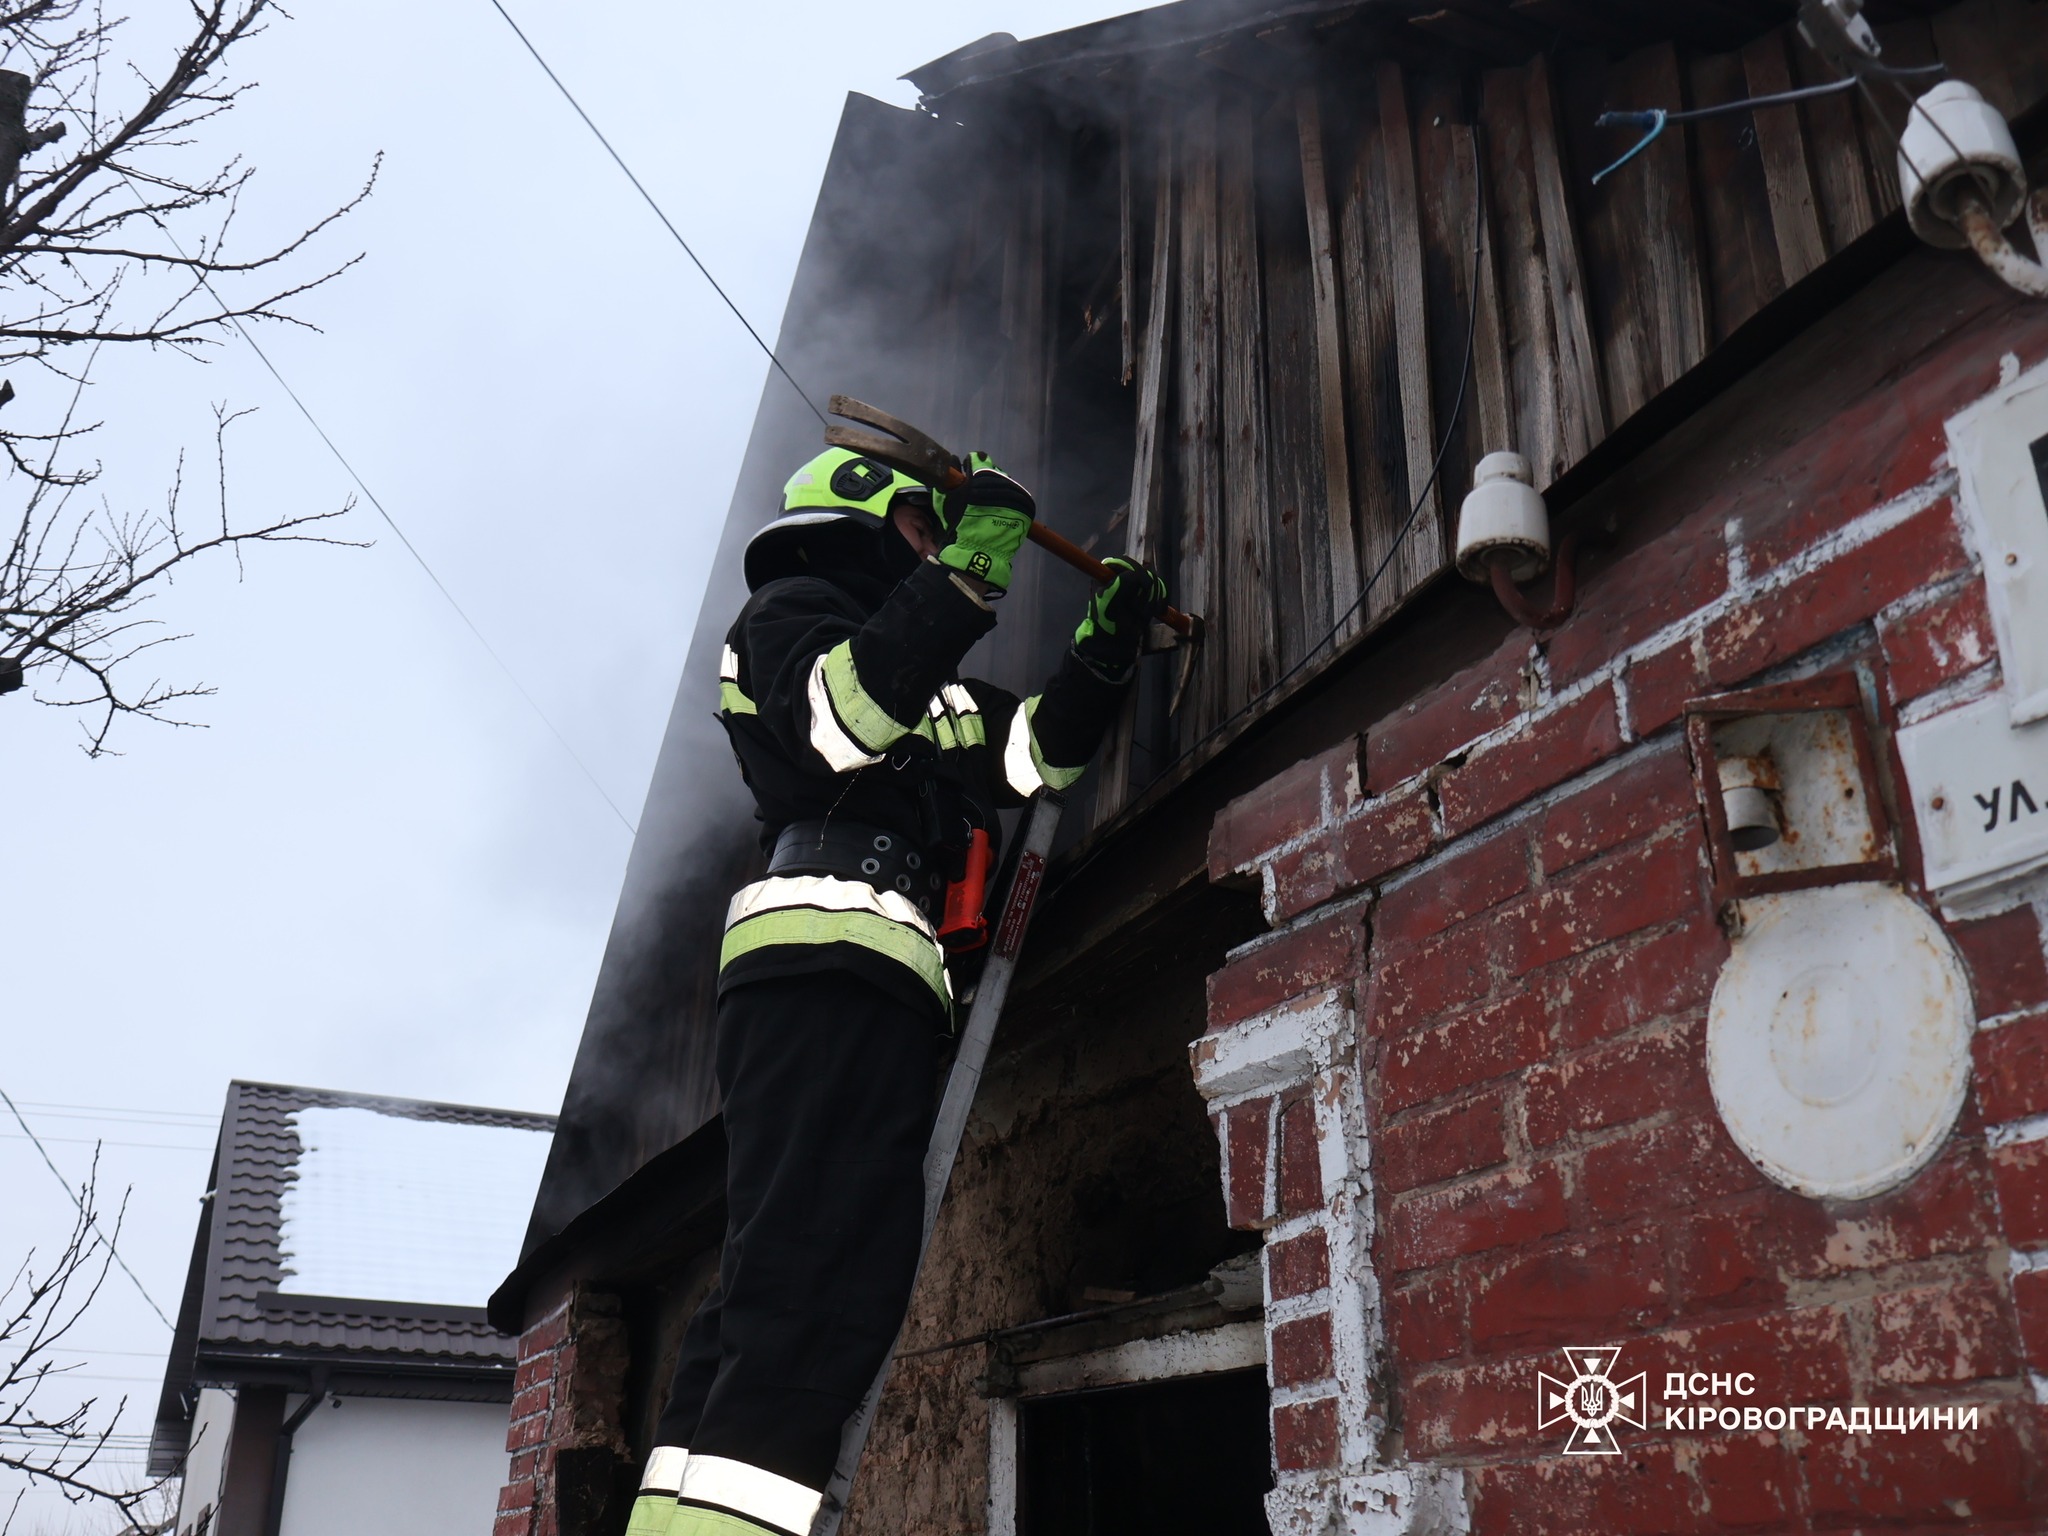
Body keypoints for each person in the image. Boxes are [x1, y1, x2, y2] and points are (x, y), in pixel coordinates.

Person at [626, 447, 1169, 1536]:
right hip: (822, 955)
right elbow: (841, 721)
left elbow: (1028, 759)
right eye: (926, 530)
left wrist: (1101, 651)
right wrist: (968, 574)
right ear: (869, 517)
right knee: (817, 1286)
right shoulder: (784, 618)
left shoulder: (917, 682)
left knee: (766, 1283)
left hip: (856, 977)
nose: (934, 548)